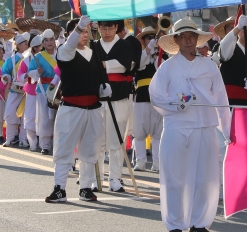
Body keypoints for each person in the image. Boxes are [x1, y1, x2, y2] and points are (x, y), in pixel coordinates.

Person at [150, 18, 230, 232]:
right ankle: (175, 224)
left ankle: (199, 223)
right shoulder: (167, 68)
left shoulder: (209, 66)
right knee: (176, 179)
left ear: (197, 39)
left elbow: (221, 98)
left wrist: (228, 130)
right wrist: (179, 104)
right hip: (177, 129)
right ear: (175, 40)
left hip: (205, 127)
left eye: (191, 36)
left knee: (205, 179)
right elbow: (156, 96)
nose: (187, 40)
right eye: (182, 36)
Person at [46, 15, 108, 203]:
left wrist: (104, 86)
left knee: (91, 148)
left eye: (86, 30)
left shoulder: (94, 52)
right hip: (72, 107)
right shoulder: (65, 51)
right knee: (64, 147)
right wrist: (79, 26)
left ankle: (85, 187)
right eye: (80, 31)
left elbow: (100, 75)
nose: (84, 34)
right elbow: (71, 44)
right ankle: (59, 188)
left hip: (94, 107)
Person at [91, 19, 136, 193]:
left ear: (116, 28)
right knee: (98, 139)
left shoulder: (125, 45)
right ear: (99, 28)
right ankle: (97, 178)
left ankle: (115, 179)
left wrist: (103, 65)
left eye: (110, 28)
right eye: (103, 28)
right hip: (99, 99)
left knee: (117, 140)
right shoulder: (94, 46)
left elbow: (125, 66)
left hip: (119, 98)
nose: (107, 31)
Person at [132, 25, 164, 172]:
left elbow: (164, 73)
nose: (151, 40)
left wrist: (157, 56)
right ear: (143, 40)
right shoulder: (139, 54)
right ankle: (140, 161)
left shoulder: (163, 55)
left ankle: (157, 162)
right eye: (148, 37)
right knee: (139, 131)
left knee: (158, 131)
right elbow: (137, 64)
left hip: (157, 96)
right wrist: (148, 50)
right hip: (142, 96)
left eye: (153, 37)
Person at [217, 16, 247, 106]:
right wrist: (238, 27)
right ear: (240, 32)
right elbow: (224, 45)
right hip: (227, 101)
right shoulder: (231, 49)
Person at [1, 33, 30, 148]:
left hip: (28, 91)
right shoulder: (11, 60)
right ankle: (9, 139)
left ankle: (24, 140)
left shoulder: (31, 58)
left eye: (28, 44)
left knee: (26, 116)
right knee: (10, 114)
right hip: (15, 90)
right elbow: (6, 73)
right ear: (18, 45)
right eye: (25, 44)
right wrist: (6, 77)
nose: (27, 46)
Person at [32, 30, 59, 155]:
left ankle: (58, 144)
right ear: (42, 43)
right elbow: (29, 72)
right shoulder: (38, 57)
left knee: (59, 117)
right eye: (46, 40)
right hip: (43, 88)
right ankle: (45, 145)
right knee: (44, 117)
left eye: (51, 39)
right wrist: (37, 71)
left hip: (59, 89)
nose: (49, 42)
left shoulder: (61, 54)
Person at [17, 35, 43, 151]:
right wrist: (30, 74)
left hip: (44, 90)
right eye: (39, 46)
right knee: (30, 116)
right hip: (32, 91)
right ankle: (32, 142)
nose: (41, 48)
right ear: (34, 48)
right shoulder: (25, 61)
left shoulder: (49, 56)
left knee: (44, 117)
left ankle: (44, 144)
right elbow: (20, 77)